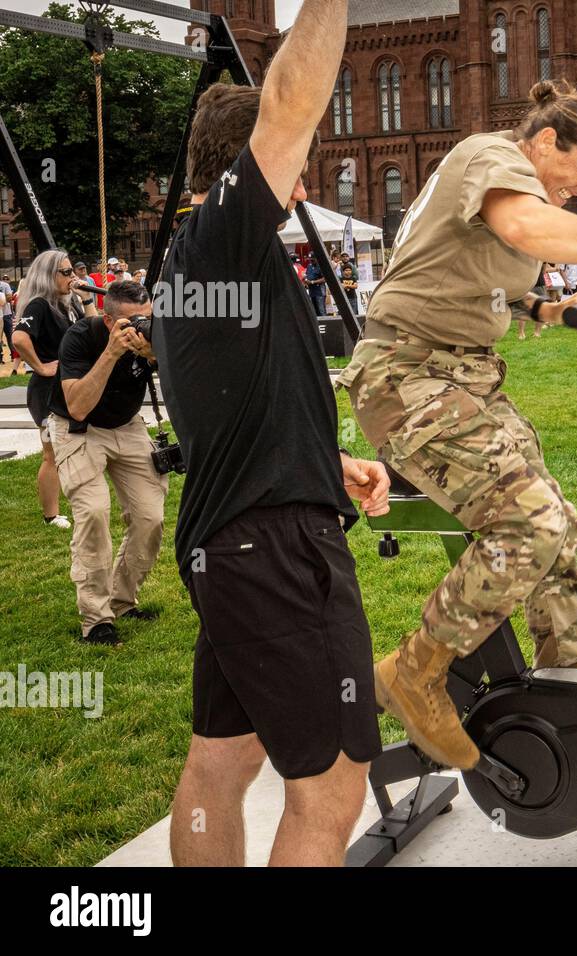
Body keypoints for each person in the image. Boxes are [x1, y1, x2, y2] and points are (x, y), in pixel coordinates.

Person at [338, 79, 577, 773]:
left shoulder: (513, 183)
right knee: (529, 526)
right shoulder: (492, 156)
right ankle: (415, 671)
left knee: (559, 530)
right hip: (408, 375)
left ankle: (569, 698)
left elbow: (471, 270)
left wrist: (539, 305)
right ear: (545, 143)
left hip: (464, 377)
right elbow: (521, 227)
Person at [154, 0, 395, 867]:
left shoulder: (208, 265)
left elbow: (235, 409)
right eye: (295, 162)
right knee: (332, 784)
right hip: (276, 548)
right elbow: (290, 98)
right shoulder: (222, 237)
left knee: (223, 760)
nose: (304, 184)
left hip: (233, 543)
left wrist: (327, 459)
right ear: (250, 161)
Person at [46, 279, 168, 645]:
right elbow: (78, 405)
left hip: (127, 423)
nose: (141, 327)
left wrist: (154, 354)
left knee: (151, 517)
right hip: (79, 425)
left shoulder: (150, 336)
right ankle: (96, 620)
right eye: (132, 322)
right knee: (94, 513)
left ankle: (123, 600)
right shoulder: (80, 338)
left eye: (147, 319)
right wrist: (112, 353)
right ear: (108, 319)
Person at [12, 250, 87, 528]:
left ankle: (76, 502)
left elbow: (96, 329)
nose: (73, 277)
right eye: (66, 272)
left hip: (70, 386)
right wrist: (41, 367)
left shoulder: (69, 304)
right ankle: (51, 515)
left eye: (73, 271)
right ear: (48, 275)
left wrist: (87, 299)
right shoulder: (40, 304)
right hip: (47, 389)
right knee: (51, 452)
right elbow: (19, 338)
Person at [0, 272, 14, 371]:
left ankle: (14, 355)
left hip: (6, 313)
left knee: (10, 335)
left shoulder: (4, 285)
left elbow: (9, 297)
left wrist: (3, 297)